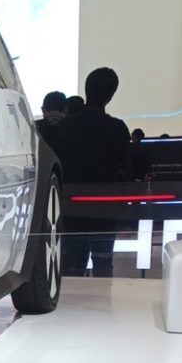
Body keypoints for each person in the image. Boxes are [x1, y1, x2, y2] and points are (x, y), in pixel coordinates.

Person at [49, 68, 130, 278]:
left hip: (71, 204)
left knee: (69, 265)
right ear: (111, 95)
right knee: (103, 263)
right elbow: (126, 165)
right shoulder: (117, 128)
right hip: (105, 207)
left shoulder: (65, 126)